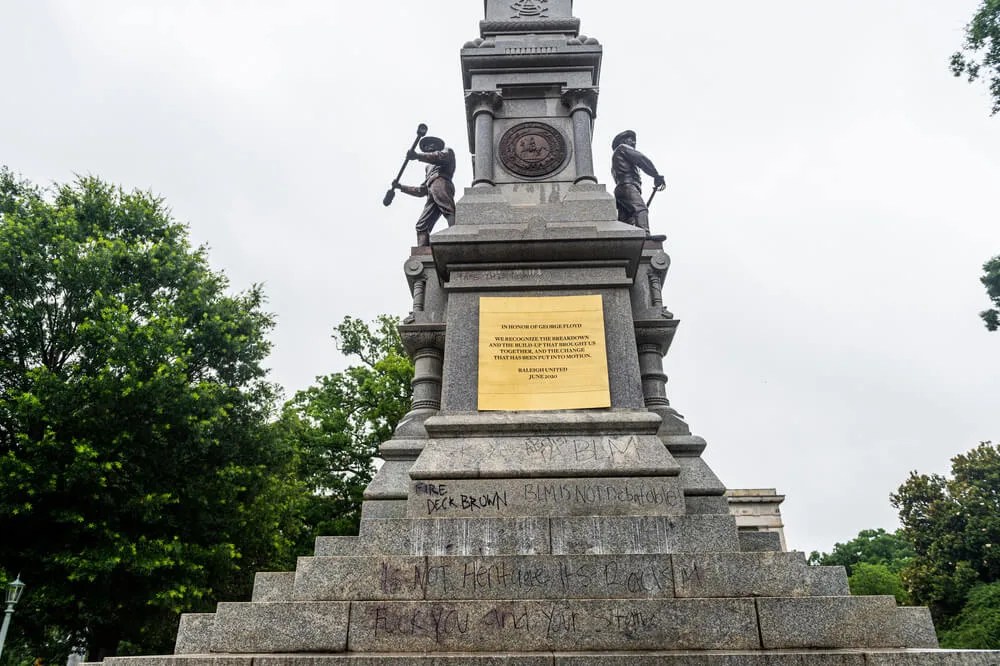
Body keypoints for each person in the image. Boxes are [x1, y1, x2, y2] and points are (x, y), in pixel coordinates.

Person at [393, 136, 456, 246]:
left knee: (447, 208)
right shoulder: (428, 167)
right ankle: (423, 251)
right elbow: (422, 190)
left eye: (432, 143)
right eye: (426, 146)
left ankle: (457, 232)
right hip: (431, 189)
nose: (429, 146)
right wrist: (400, 187)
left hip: (441, 182)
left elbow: (440, 157)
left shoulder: (446, 151)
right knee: (421, 225)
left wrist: (417, 156)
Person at [611, 130, 666, 235]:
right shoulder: (622, 148)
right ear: (622, 141)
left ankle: (627, 239)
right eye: (630, 139)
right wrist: (656, 175)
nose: (633, 142)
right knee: (641, 209)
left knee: (627, 220)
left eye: (634, 140)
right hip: (628, 187)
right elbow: (641, 159)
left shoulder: (616, 158)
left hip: (621, 189)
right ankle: (645, 235)